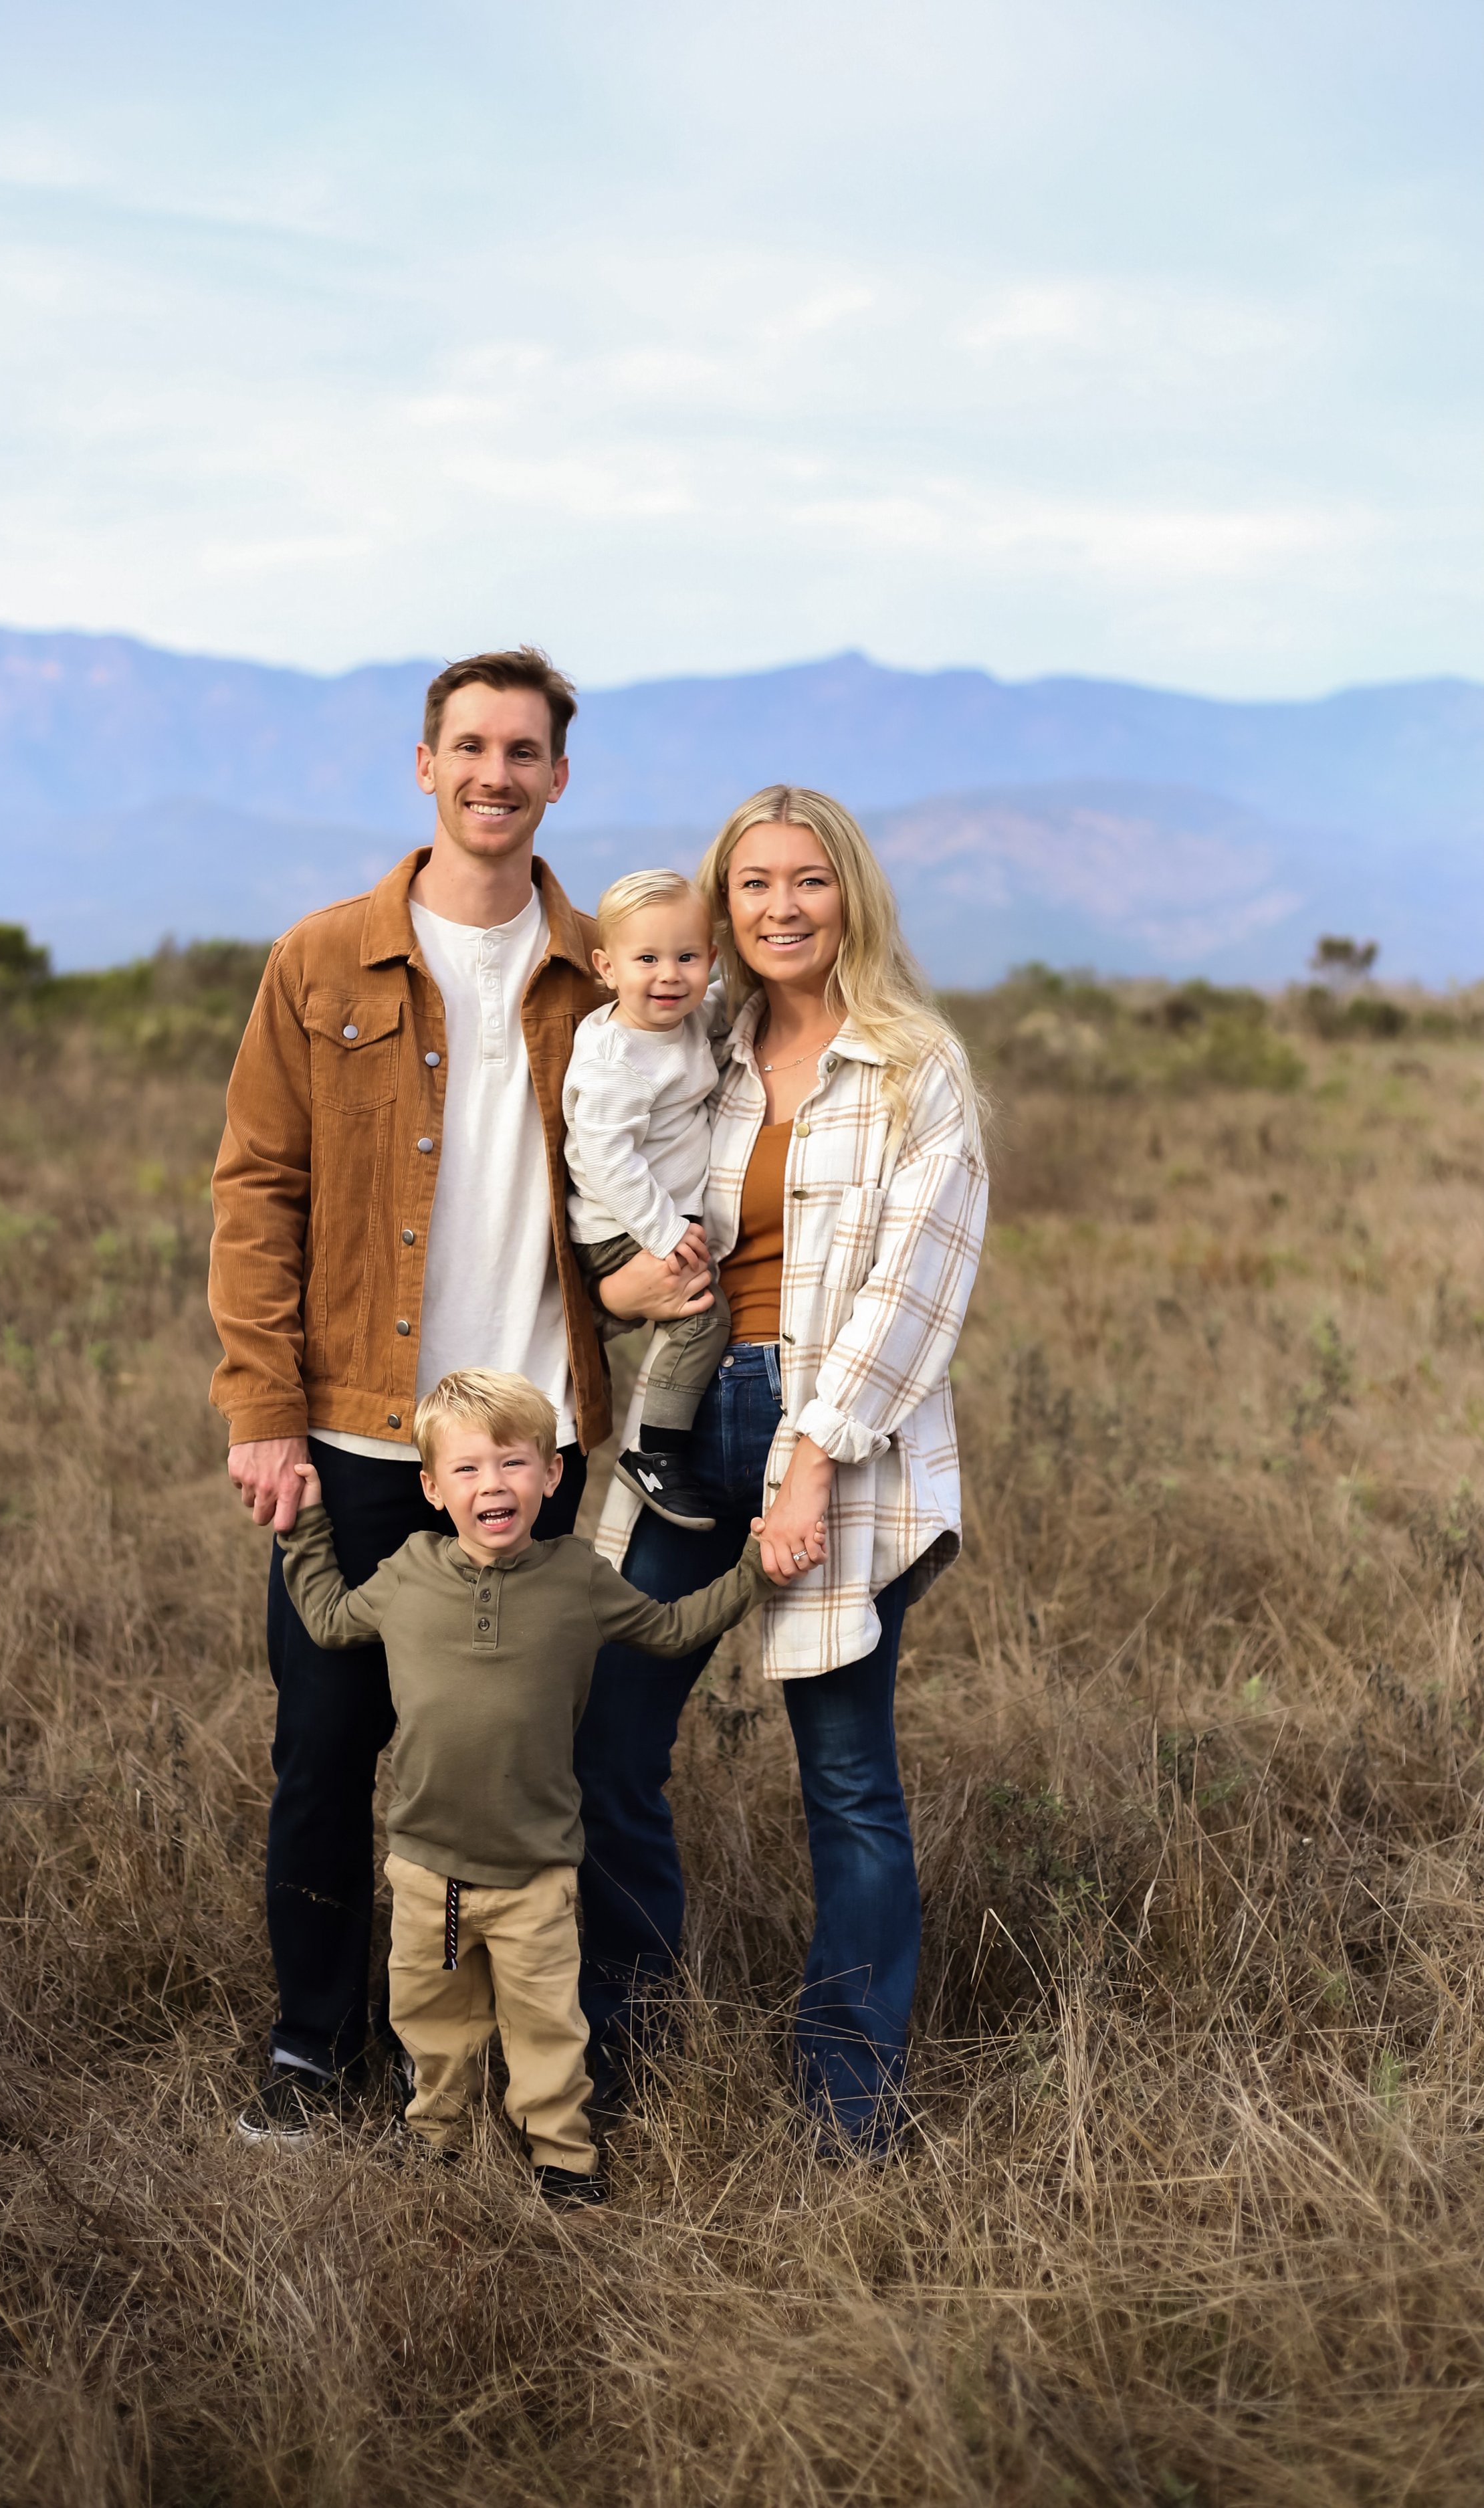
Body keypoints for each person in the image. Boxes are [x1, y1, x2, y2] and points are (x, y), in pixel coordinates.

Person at [207, 646, 702, 2146]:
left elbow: (710, 1113)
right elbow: (256, 1191)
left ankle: (589, 2050)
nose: (495, 774)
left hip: (549, 1442)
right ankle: (314, 2050)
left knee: (573, 1759)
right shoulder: (321, 958)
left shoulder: (602, 972)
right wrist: (262, 1408)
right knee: (326, 1748)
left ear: (560, 778)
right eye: (469, 747)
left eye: (524, 752)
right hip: (366, 1430)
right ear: (423, 765)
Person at [575, 785, 988, 2156]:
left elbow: (912, 1288)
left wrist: (808, 1461)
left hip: (833, 1434)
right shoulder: (700, 1045)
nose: (778, 908)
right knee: (605, 1740)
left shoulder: (912, 1063)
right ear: (722, 905)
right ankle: (619, 2050)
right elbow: (614, 1175)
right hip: (685, 1433)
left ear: (847, 893)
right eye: (750, 885)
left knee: (847, 1779)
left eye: (805, 881)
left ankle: (845, 2106)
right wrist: (615, 1283)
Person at [276, 1368, 807, 2200]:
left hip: (533, 1875)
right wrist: (305, 1523)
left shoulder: (577, 1580)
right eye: (467, 1469)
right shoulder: (409, 1572)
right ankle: (435, 2140)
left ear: (551, 1474)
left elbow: (670, 1631)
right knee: (433, 2023)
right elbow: (328, 1619)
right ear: (432, 1488)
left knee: (545, 2028)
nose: (493, 1483)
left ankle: (562, 2158)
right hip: (428, 1876)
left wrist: (755, 1568)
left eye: (514, 1464)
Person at [563, 867, 732, 1532]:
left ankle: (602, 1320)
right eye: (647, 960)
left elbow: (729, 1000)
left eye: (686, 957)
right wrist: (664, 1231)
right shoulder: (616, 1058)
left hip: (649, 1219)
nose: (669, 975)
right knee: (699, 1316)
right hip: (620, 1224)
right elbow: (604, 1157)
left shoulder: (683, 1019)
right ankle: (654, 1454)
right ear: (606, 968)